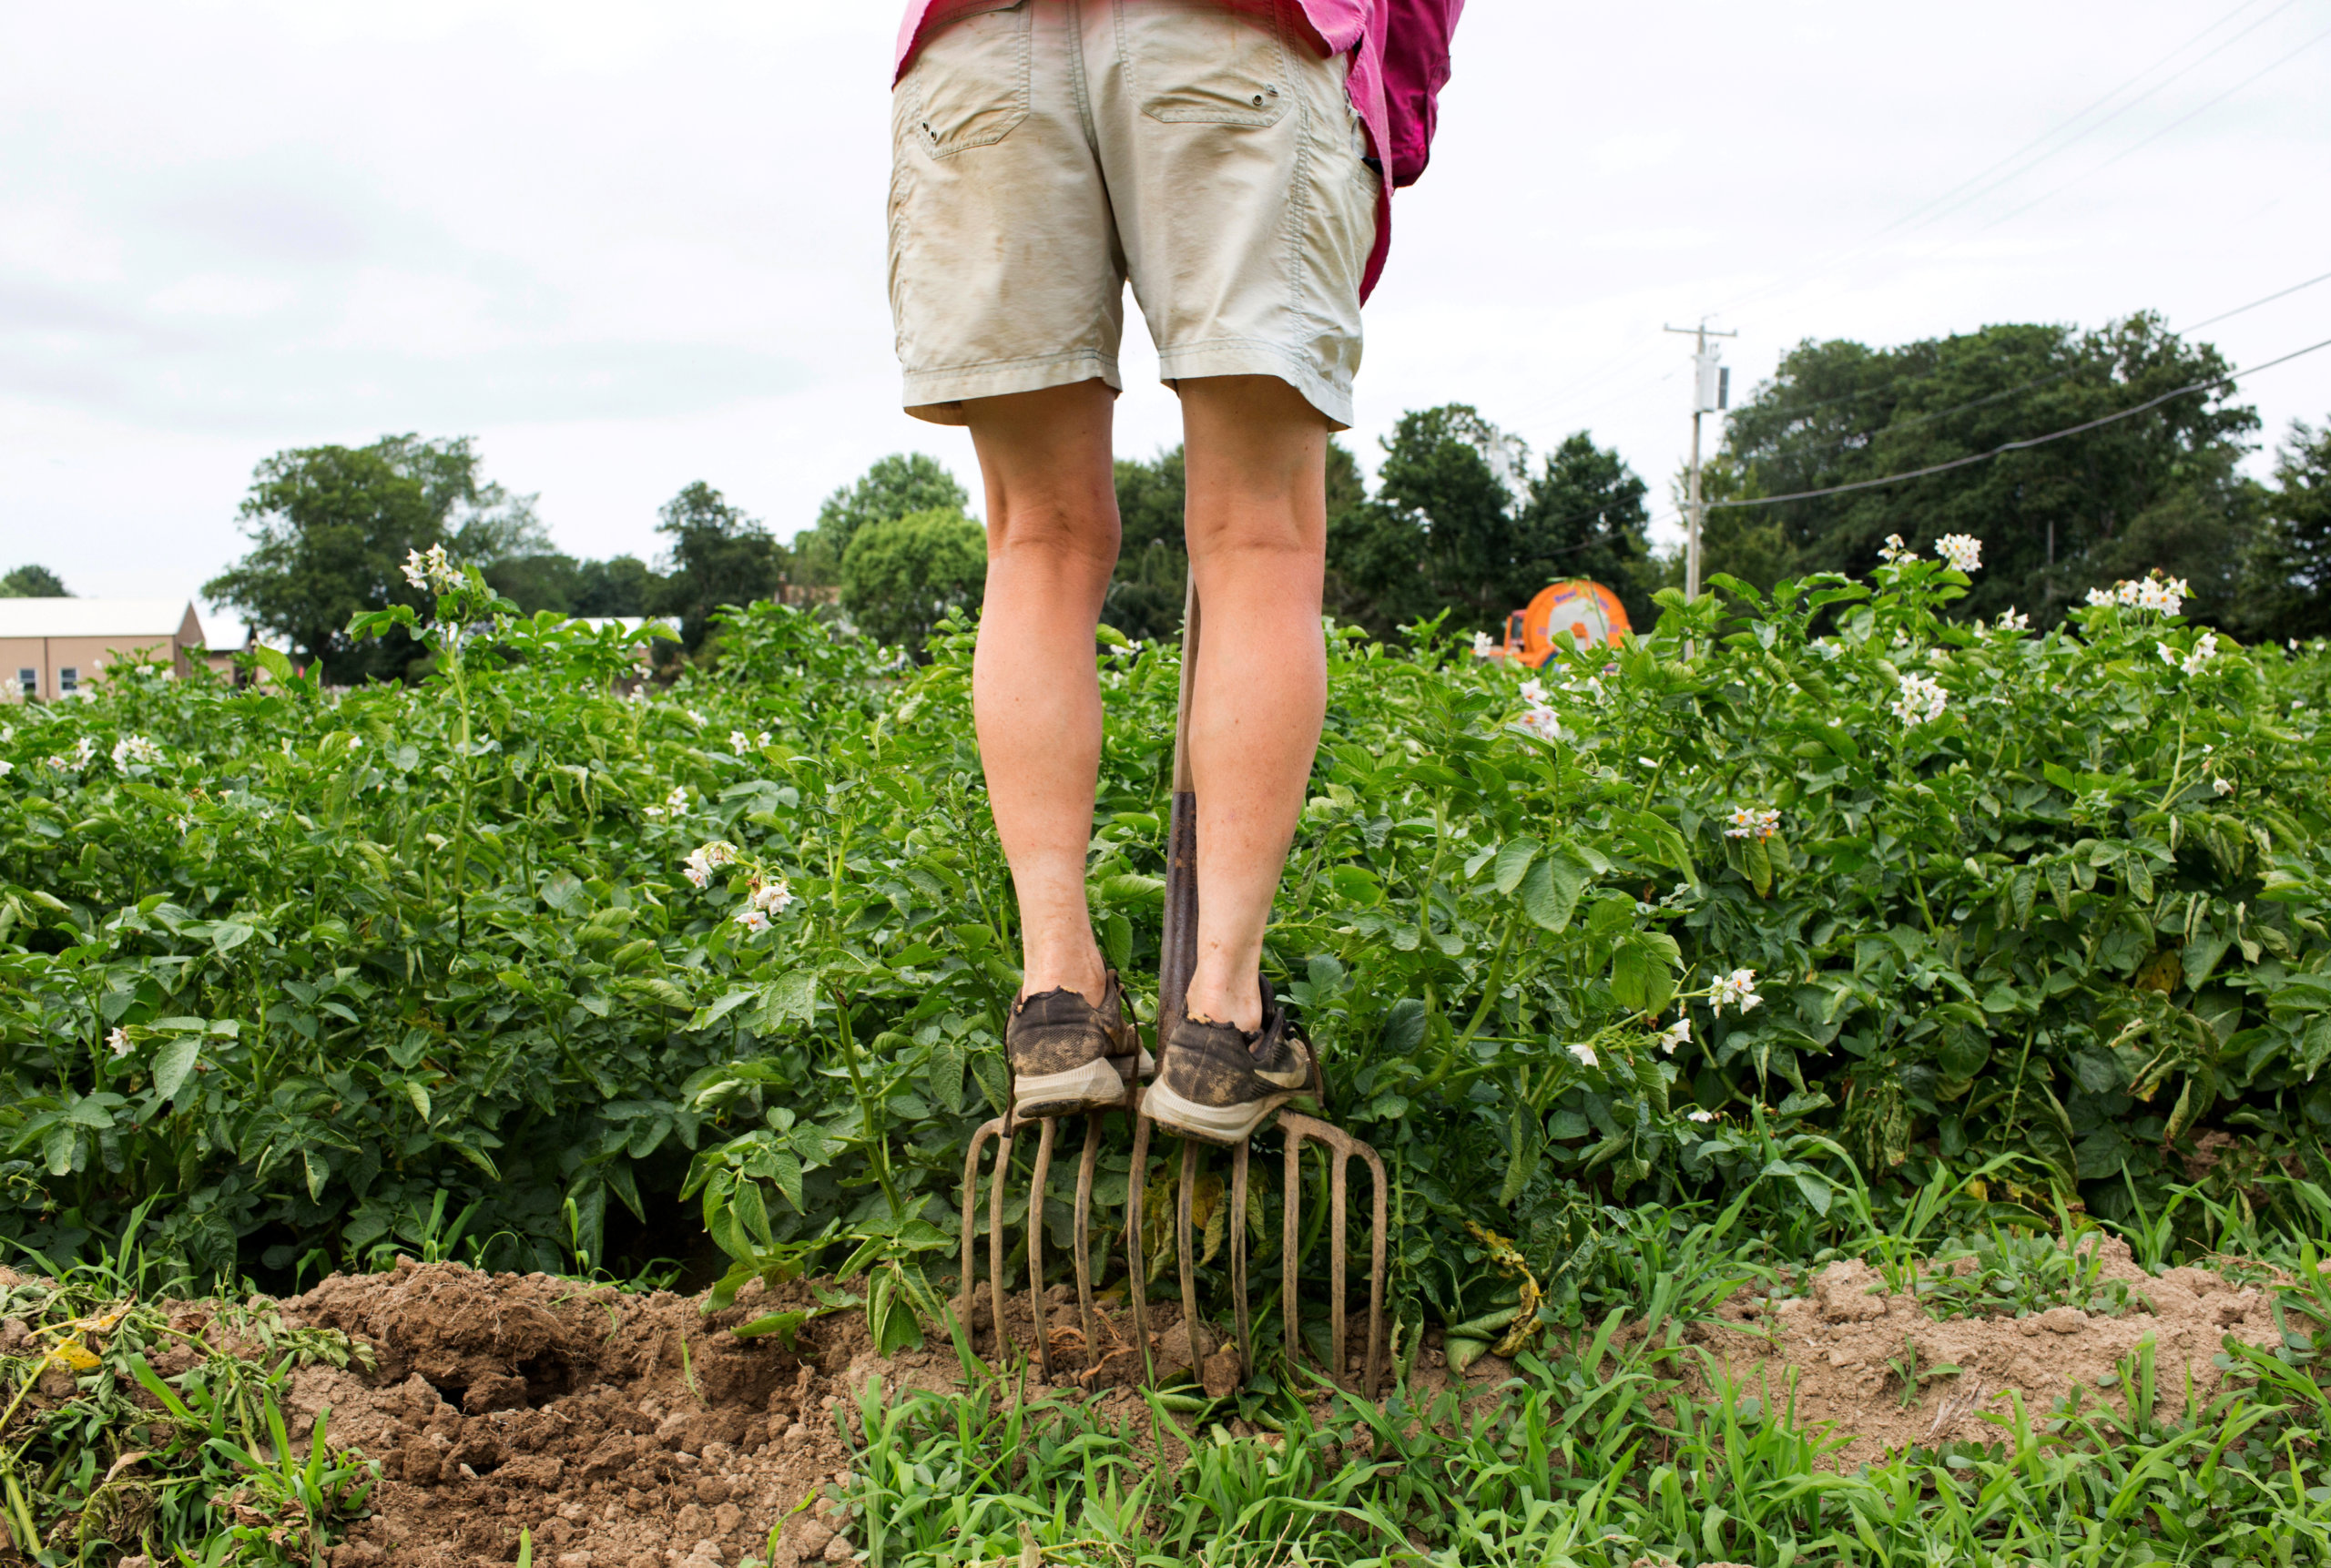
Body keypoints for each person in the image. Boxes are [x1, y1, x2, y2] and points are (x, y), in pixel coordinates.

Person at [887, 0, 1462, 1142]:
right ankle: (1221, 1015)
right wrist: (1386, 113)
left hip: (980, 53)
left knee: (1036, 538)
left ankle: (1056, 999)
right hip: (1231, 36)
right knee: (1258, 535)